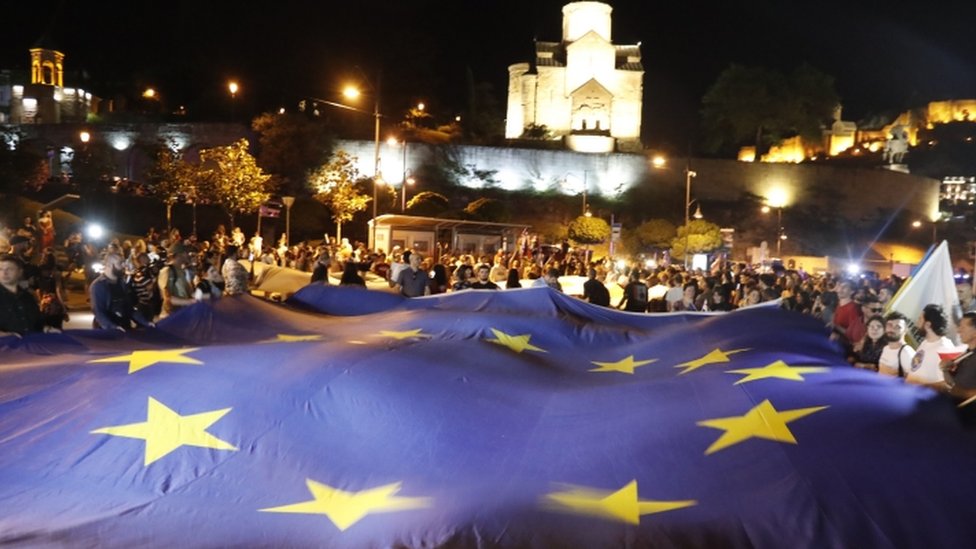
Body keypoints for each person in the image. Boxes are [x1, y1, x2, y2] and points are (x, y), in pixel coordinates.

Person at [90, 253, 153, 331]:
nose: (123, 266)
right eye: (120, 263)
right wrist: (113, 327)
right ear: (109, 265)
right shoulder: (98, 286)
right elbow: (99, 312)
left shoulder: (122, 283)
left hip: (123, 328)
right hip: (107, 332)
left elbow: (129, 309)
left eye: (123, 262)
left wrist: (145, 322)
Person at [0, 254, 57, 336]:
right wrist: (5, 335)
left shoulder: (27, 297)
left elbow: (37, 323)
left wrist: (47, 329)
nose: (4, 273)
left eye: (10, 269)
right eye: (0, 269)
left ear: (20, 272)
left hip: (29, 346)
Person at [906, 304, 955, 386]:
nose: (917, 322)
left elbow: (946, 385)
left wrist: (919, 385)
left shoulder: (944, 349)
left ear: (928, 325)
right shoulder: (925, 342)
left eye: (920, 319)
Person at [879, 311, 916, 378]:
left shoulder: (907, 353)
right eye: (889, 325)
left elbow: (915, 382)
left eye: (898, 327)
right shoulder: (886, 348)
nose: (892, 329)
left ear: (905, 330)